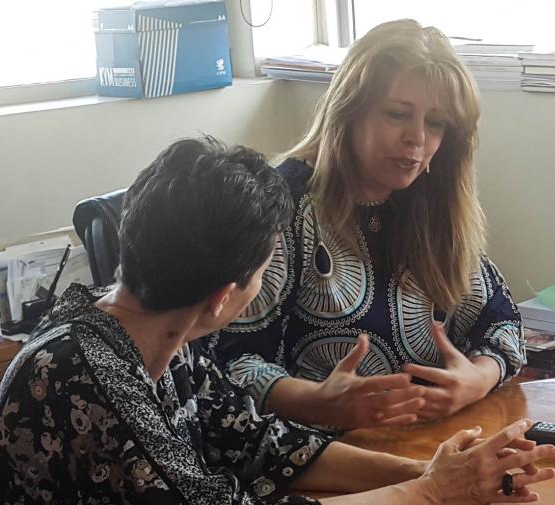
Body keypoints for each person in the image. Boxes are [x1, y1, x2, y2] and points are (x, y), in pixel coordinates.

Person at [0, 137, 555, 505]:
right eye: (265, 268)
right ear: (223, 297)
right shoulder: (85, 375)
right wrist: (432, 495)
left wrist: (430, 473)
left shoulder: (156, 325)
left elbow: (253, 441)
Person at [210, 19, 525, 430]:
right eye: (398, 114)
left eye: (435, 124)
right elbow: (223, 359)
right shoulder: (282, 206)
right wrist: (315, 402)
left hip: (427, 441)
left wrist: (477, 379)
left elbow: (501, 323)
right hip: (315, 449)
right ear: (349, 111)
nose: (417, 138)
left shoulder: (431, 201)